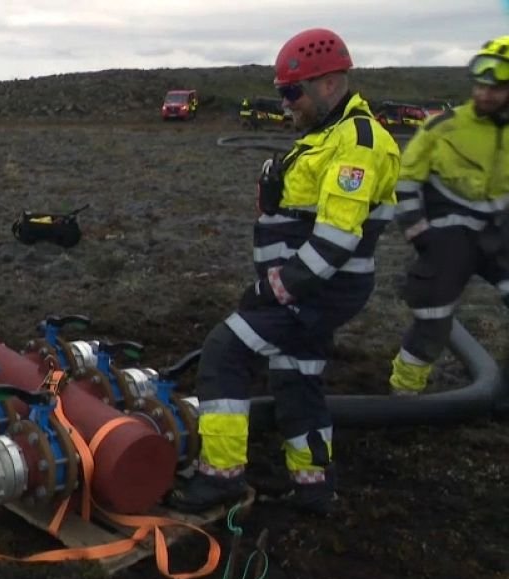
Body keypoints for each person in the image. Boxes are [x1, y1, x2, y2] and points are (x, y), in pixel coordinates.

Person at [167, 28, 401, 515]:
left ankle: (221, 476)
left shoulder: (357, 142)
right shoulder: (326, 137)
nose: (286, 103)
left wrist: (272, 290)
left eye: (292, 92)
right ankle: (315, 487)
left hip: (318, 290)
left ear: (329, 85)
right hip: (314, 289)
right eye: (282, 93)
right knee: (297, 377)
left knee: (225, 351)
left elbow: (335, 241)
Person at [387, 36, 509, 395]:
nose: (485, 95)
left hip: (500, 238)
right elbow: (406, 181)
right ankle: (403, 394)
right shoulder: (444, 127)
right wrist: (419, 234)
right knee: (433, 321)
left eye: (498, 88)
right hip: (447, 238)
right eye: (481, 86)